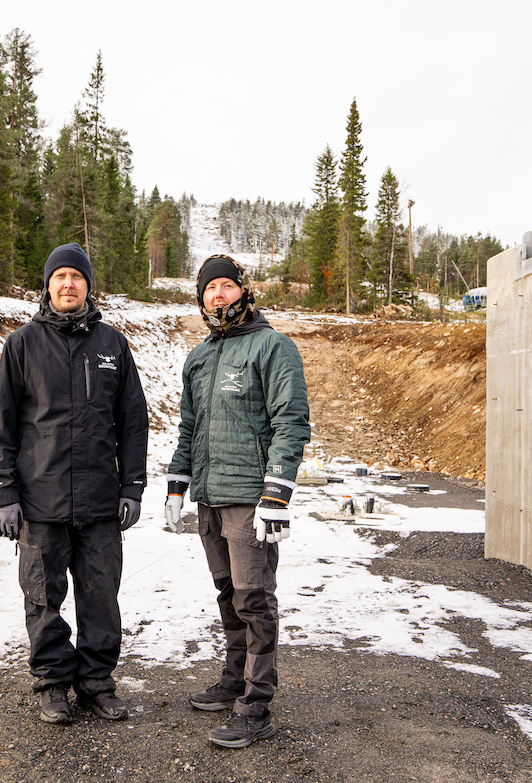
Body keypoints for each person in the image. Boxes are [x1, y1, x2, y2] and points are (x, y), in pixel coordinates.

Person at [0, 242, 149, 725]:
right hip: (41, 502)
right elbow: (1, 424)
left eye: (77, 276)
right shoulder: (22, 345)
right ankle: (54, 683)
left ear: (88, 286)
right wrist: (5, 493)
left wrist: (132, 486)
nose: (68, 284)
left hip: (100, 502)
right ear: (48, 285)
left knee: (101, 597)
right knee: (43, 595)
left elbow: (133, 422)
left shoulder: (113, 346)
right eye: (60, 277)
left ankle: (97, 682)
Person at [164, 254, 310, 748]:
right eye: (210, 289)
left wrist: (277, 494)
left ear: (243, 292)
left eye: (226, 286)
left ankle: (256, 704)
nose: (218, 295)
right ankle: (234, 679)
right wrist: (177, 483)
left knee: (254, 599)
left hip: (251, 499)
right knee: (228, 595)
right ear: (201, 297)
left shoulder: (274, 348)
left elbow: (291, 423)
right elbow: (189, 426)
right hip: (209, 498)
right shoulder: (199, 357)